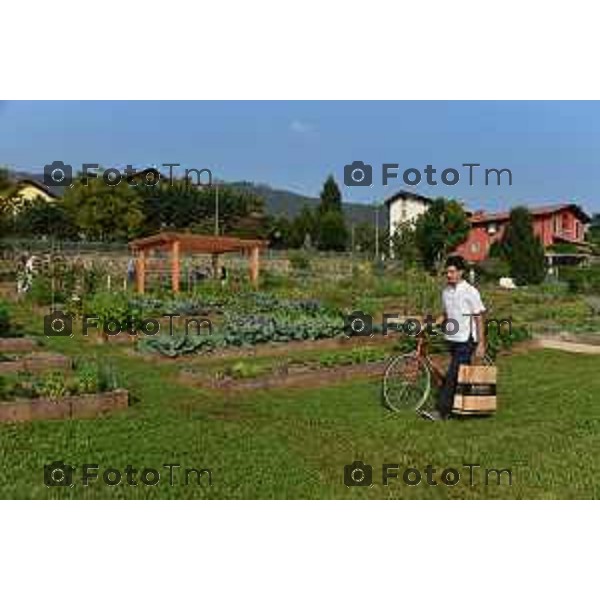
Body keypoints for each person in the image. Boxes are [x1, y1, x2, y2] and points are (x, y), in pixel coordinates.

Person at [422, 255, 487, 421]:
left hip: (467, 340)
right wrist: (431, 325)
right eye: (447, 272)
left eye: (452, 272)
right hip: (452, 338)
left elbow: (479, 317)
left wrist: (481, 344)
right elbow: (446, 314)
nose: (448, 275)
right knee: (454, 374)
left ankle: (441, 411)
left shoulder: (470, 292)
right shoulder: (446, 292)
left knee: (452, 374)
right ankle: (458, 403)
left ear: (461, 272)